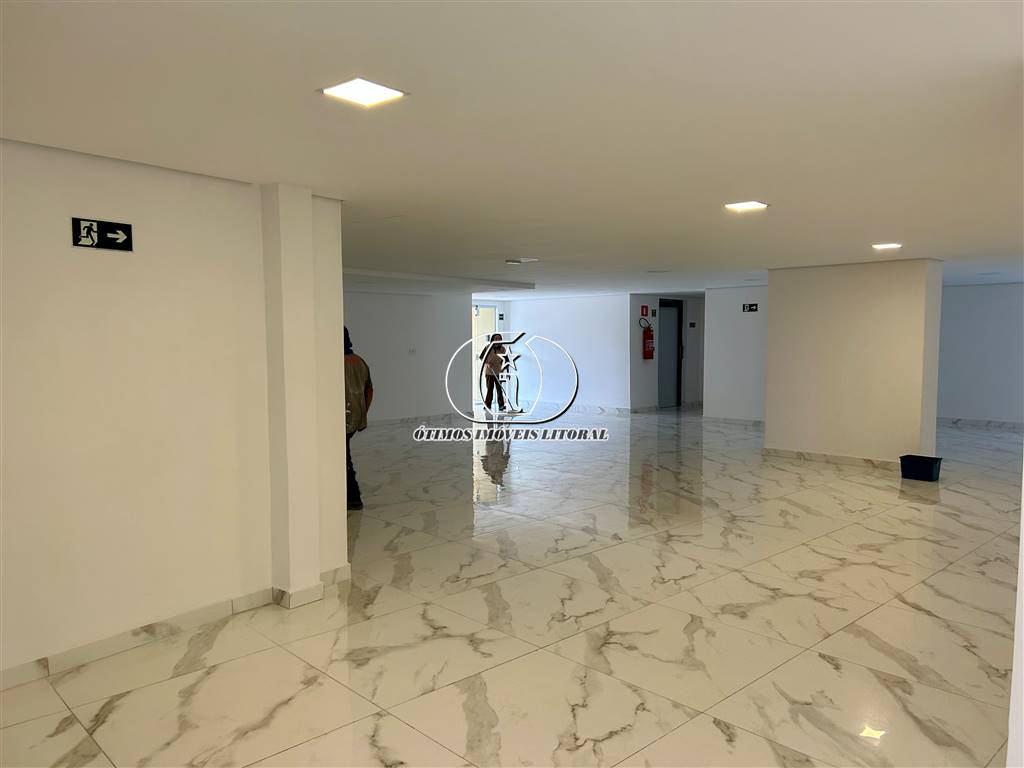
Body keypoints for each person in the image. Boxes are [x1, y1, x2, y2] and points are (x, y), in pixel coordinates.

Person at [344, 327, 373, 511]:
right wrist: (363, 413)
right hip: (356, 418)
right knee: (344, 455)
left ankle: (354, 498)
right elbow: (370, 390)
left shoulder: (335, 362)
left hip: (342, 419)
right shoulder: (360, 361)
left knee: (344, 459)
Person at [481, 332, 506, 412]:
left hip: (498, 371)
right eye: (496, 338)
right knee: (490, 389)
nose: (498, 339)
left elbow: (505, 360)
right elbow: (482, 357)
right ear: (492, 339)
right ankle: (487, 405)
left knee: (499, 389)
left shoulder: (503, 349)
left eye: (499, 338)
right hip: (489, 372)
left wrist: (503, 368)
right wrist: (487, 363)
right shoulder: (487, 347)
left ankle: (501, 405)